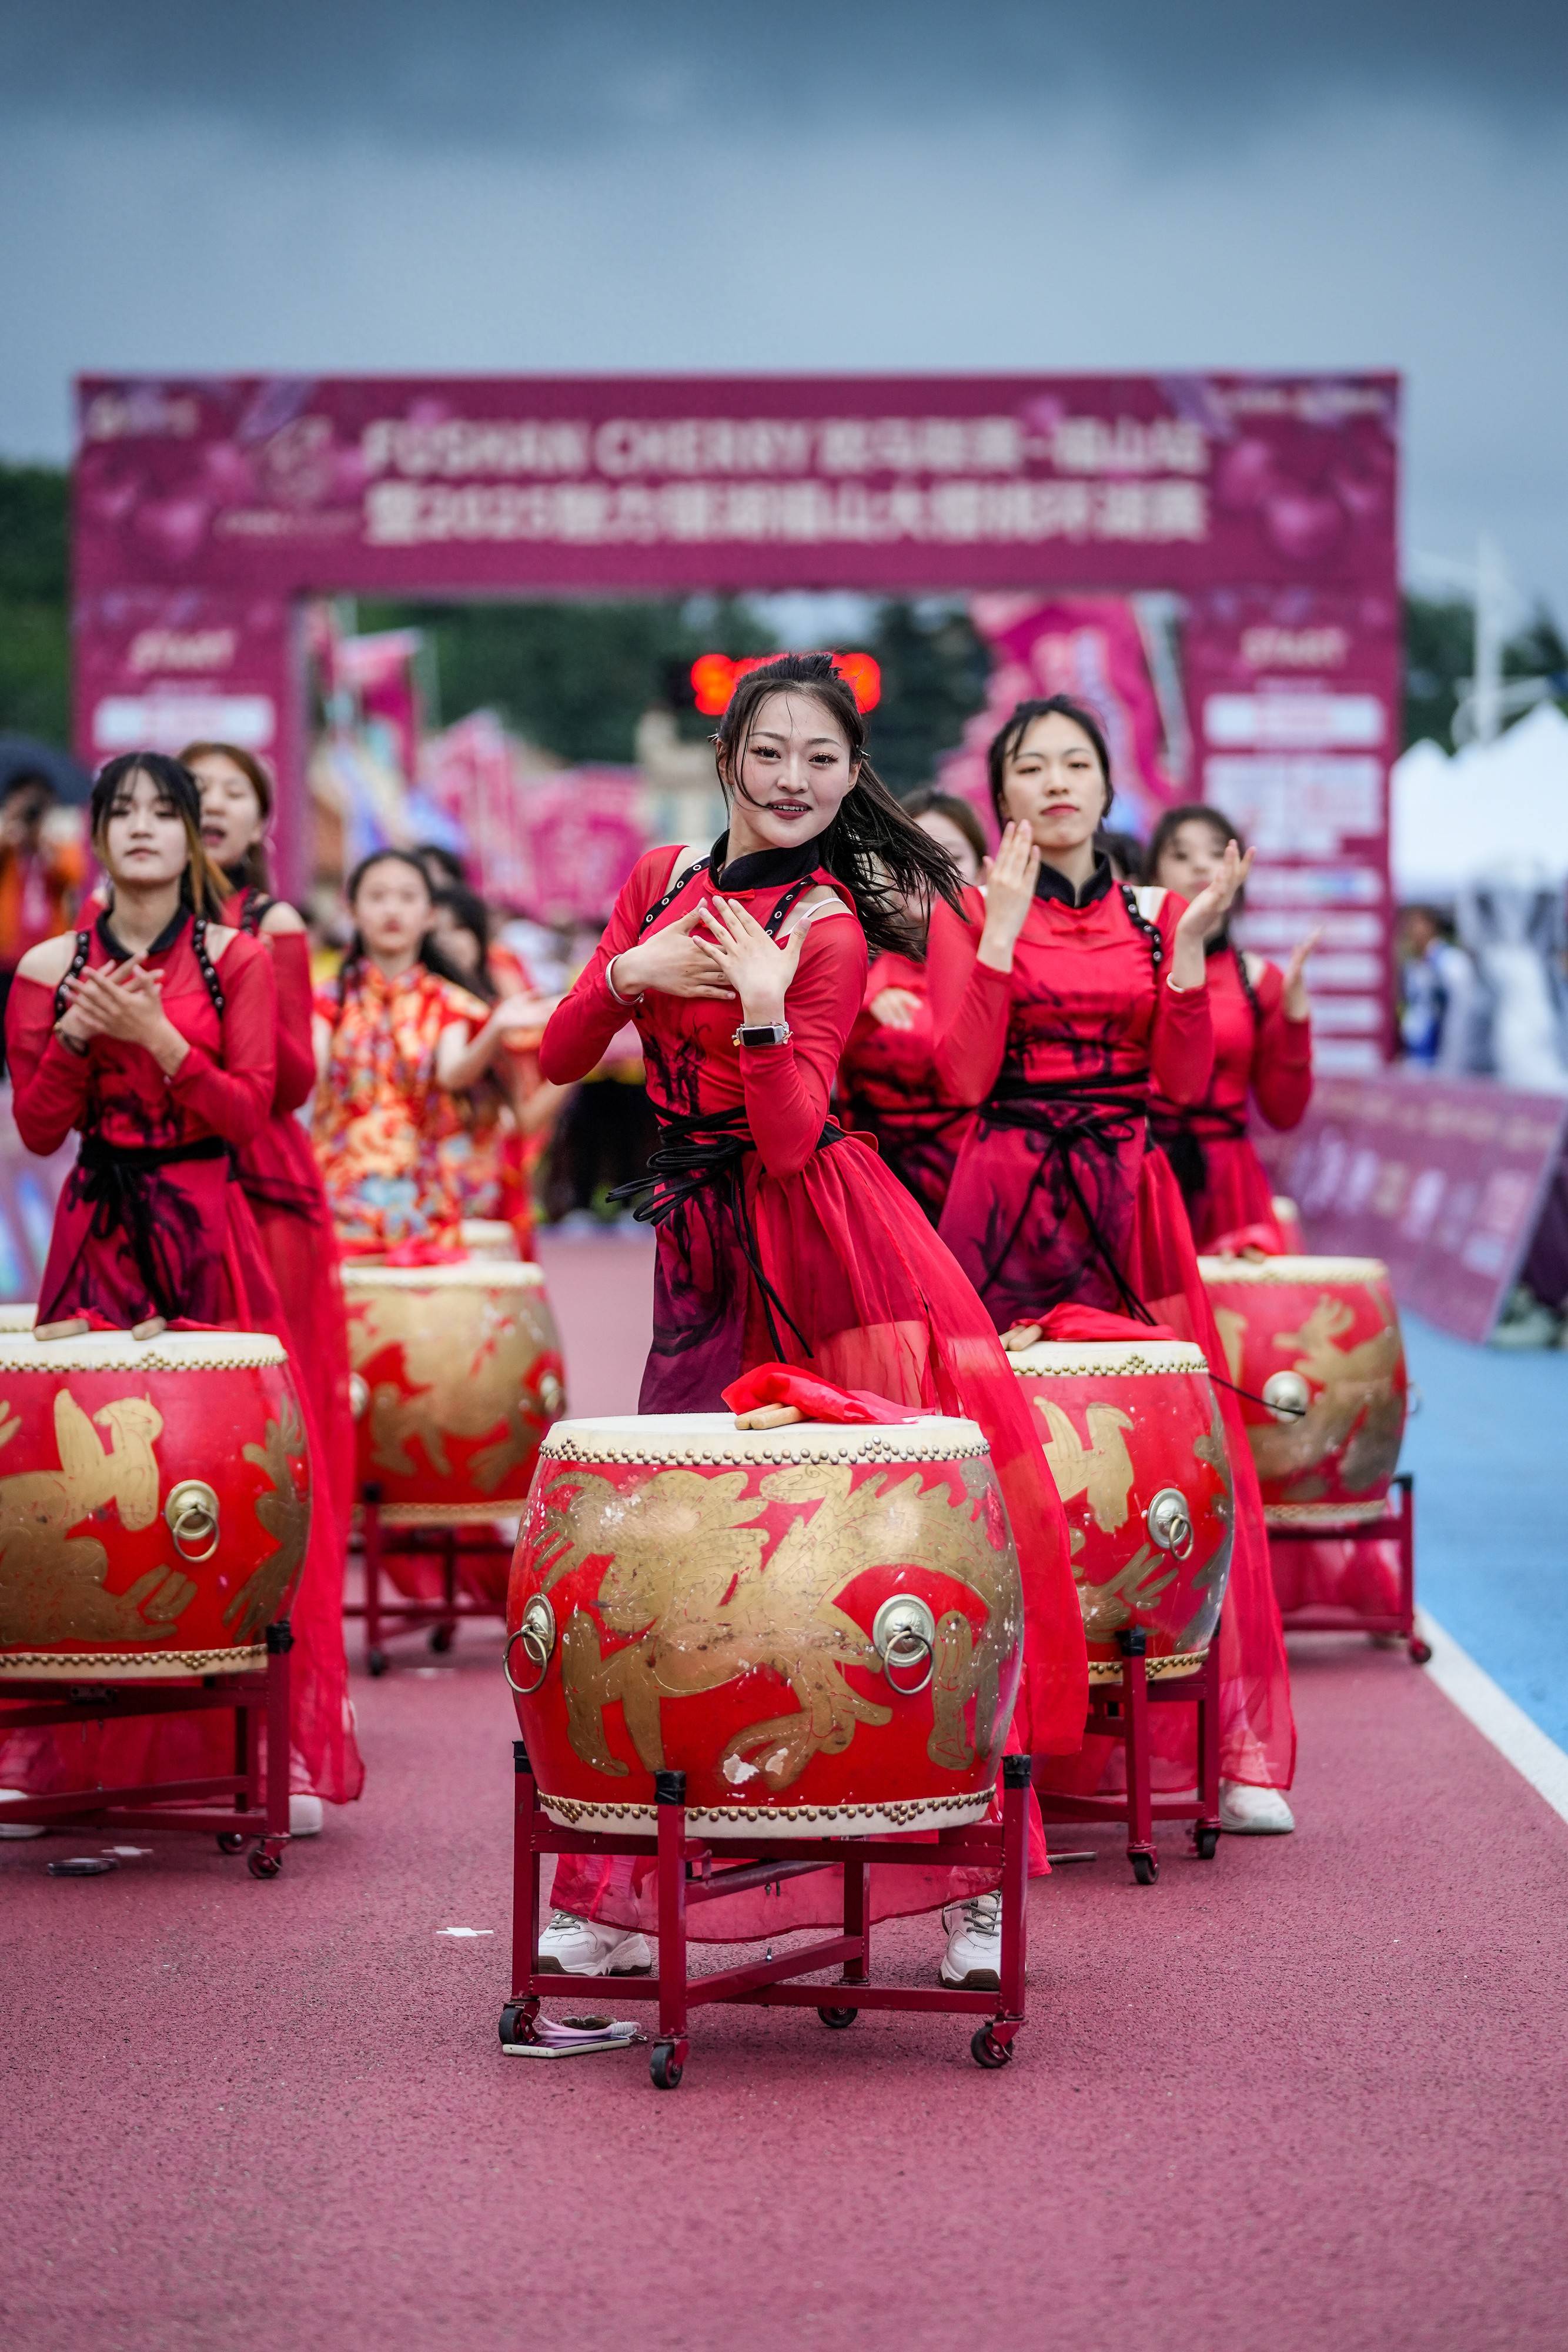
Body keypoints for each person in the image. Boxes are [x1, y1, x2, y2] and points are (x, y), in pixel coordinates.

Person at [535, 653, 1088, 1984]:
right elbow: (558, 1057)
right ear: (729, 754)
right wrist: (628, 973)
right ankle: (617, 1884)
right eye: (771, 752)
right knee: (673, 1549)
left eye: (823, 761)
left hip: (825, 1246)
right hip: (698, 1258)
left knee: (884, 1547)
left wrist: (769, 1014)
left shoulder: (833, 922)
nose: (794, 779)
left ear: (852, 779)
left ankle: (966, 1886)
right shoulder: (658, 881)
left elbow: (788, 1145)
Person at [927, 696, 1296, 1833]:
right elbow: (957, 1076)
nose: (1055, 781)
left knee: (1181, 1455)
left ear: (1106, 784)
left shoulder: (1155, 913)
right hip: (1000, 1194)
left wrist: (1187, 954)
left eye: (1075, 762)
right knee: (991, 1457)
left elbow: (1182, 1087)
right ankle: (973, 1747)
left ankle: (1227, 1755)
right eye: (1030, 766)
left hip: (1129, 1196)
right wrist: (993, 935)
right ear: (1002, 797)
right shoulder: (971, 906)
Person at [1, 753, 360, 1824]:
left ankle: (255, 1748)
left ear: (199, 838)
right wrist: (74, 1034)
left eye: (167, 812)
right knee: (94, 1485)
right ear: (98, 837)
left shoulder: (236, 956)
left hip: (209, 1227)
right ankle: (83, 1751)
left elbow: (252, 1112)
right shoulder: (45, 966)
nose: (145, 828)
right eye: (125, 812)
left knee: (230, 1482)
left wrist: (156, 1039)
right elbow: (36, 1129)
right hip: (96, 1234)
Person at [185, 741, 362, 1825]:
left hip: (263, 1195)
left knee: (268, 1459)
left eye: (227, 800)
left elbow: (288, 1080)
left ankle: (283, 1733)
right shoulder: (107, 944)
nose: (204, 814)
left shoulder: (275, 928)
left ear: (260, 827)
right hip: (165, 1202)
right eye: (183, 797)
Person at [311, 850, 538, 1255]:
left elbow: (452, 1074)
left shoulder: (447, 1002)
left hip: (422, 1202)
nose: (392, 910)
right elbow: (310, 1075)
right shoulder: (328, 1001)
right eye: (377, 897)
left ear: (429, 914)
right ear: (352, 912)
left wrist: (496, 1028)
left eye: (406, 897)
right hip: (338, 1200)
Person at [1143, 804, 1316, 1249]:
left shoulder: (1262, 980)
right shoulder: (1130, 966)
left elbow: (1283, 1113)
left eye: (1216, 853)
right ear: (1151, 874)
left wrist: (1294, 1021)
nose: (1200, 865)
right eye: (1180, 855)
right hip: (1143, 1174)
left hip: (1230, 1186)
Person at [837, 789, 985, 1224]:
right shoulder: (846, 956)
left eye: (950, 856)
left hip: (983, 1202)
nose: (927, 870)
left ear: (983, 870)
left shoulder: (1007, 968)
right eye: (909, 854)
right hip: (877, 1203)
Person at [427, 881, 565, 1250]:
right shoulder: (411, 1012)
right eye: (436, 932)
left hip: (489, 1189)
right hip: (422, 1186)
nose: (449, 941)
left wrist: (581, 1061)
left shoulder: (497, 1017)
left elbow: (524, 1119)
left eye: (459, 929)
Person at [0, 767, 86, 1067]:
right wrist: (11, 833)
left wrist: (44, 843)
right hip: (6, 955)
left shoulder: (58, 842)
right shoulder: (8, 842)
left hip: (49, 955)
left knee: (41, 1029)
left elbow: (73, 875)